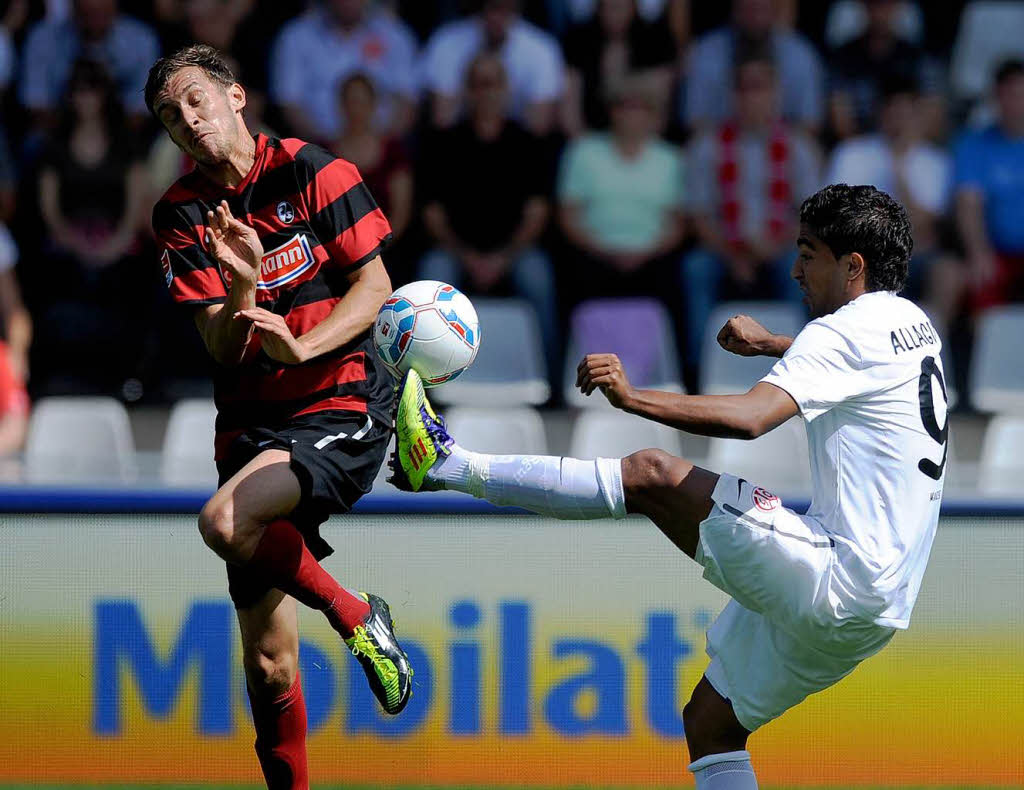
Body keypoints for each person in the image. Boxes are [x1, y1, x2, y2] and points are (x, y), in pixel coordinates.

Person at [393, 184, 948, 790]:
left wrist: (633, 398)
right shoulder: (912, 323)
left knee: (651, 473)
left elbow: (750, 418)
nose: (794, 270)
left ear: (853, 267)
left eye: (808, 253)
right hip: (879, 604)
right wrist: (775, 345)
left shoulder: (843, 333)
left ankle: (445, 466)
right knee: (711, 726)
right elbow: (859, 367)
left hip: (833, 574)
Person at [146, 44, 412, 787]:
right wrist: (243, 289)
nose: (187, 120)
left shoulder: (314, 169)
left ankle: (356, 617)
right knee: (268, 667)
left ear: (236, 96)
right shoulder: (181, 215)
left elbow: (376, 287)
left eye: (196, 99)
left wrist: (301, 347)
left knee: (224, 524)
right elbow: (222, 348)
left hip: (341, 396)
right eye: (171, 115)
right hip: (250, 425)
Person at [419, 53, 557, 380]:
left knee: (538, 276)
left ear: (506, 89)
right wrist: (467, 257)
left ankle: (548, 381)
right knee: (432, 273)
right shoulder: (444, 142)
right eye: (479, 84)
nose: (487, 91)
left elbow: (536, 214)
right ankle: (431, 383)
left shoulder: (527, 142)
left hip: (514, 252)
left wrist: (503, 258)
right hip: (456, 251)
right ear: (467, 90)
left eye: (494, 83)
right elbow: (433, 215)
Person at [681, 53, 816, 373]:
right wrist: (733, 256)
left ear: (775, 94)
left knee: (800, 269)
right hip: (722, 249)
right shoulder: (707, 145)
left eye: (760, 88)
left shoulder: (798, 146)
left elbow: (809, 215)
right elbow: (699, 216)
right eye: (744, 88)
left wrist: (773, 247)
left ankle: (797, 365)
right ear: (732, 95)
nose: (752, 97)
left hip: (781, 247)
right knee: (695, 269)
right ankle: (699, 370)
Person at [32, 59, 150, 396]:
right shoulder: (55, 146)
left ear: (104, 95)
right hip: (67, 244)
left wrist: (115, 244)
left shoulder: (125, 143)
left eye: (92, 90)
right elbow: (50, 210)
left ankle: (129, 376)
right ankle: (57, 374)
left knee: (133, 284)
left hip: (120, 243)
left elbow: (135, 205)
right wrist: (77, 244)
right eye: (79, 91)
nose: (85, 98)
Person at [557, 73, 686, 305]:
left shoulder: (670, 159)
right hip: (594, 254)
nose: (630, 115)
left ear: (652, 115)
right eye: (624, 107)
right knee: (571, 270)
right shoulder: (583, 152)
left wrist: (644, 254)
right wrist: (604, 252)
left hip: (651, 257)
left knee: (675, 276)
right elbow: (568, 217)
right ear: (612, 112)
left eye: (639, 108)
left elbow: (676, 225)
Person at [269, 0, 419, 143]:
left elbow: (407, 101)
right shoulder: (295, 37)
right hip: (317, 153)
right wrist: (324, 152)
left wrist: (377, 152)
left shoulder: (395, 35)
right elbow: (289, 103)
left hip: (381, 155)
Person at [421, 0, 566, 136]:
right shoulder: (446, 42)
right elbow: (443, 119)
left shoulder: (542, 48)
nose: (497, 17)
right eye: (493, 7)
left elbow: (539, 126)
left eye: (505, 8)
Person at [683, 0, 823, 135]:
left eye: (761, 8)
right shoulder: (706, 52)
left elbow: (809, 123)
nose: (755, 16)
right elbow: (695, 121)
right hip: (719, 146)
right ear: (735, 8)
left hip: (783, 147)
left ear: (775, 8)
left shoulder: (801, 54)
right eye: (748, 7)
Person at [19, 0, 160, 131]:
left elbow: (140, 111)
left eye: (100, 12)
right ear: (72, 6)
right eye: (88, 13)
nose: (94, 20)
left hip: (122, 139)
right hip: (56, 138)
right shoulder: (42, 39)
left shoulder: (142, 41)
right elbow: (36, 104)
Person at [954, 59, 1024, 312]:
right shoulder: (974, 144)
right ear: (995, 98)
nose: (1014, 104)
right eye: (1007, 95)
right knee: (982, 283)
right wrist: (978, 251)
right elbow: (968, 204)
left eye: (1019, 95)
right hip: (996, 254)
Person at [560, 0, 676, 134]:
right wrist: (585, 147)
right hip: (591, 139)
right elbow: (570, 112)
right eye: (609, 8)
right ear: (598, 8)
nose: (614, 15)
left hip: (643, 141)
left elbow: (659, 110)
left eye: (620, 8)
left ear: (633, 8)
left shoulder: (657, 42)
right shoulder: (577, 41)